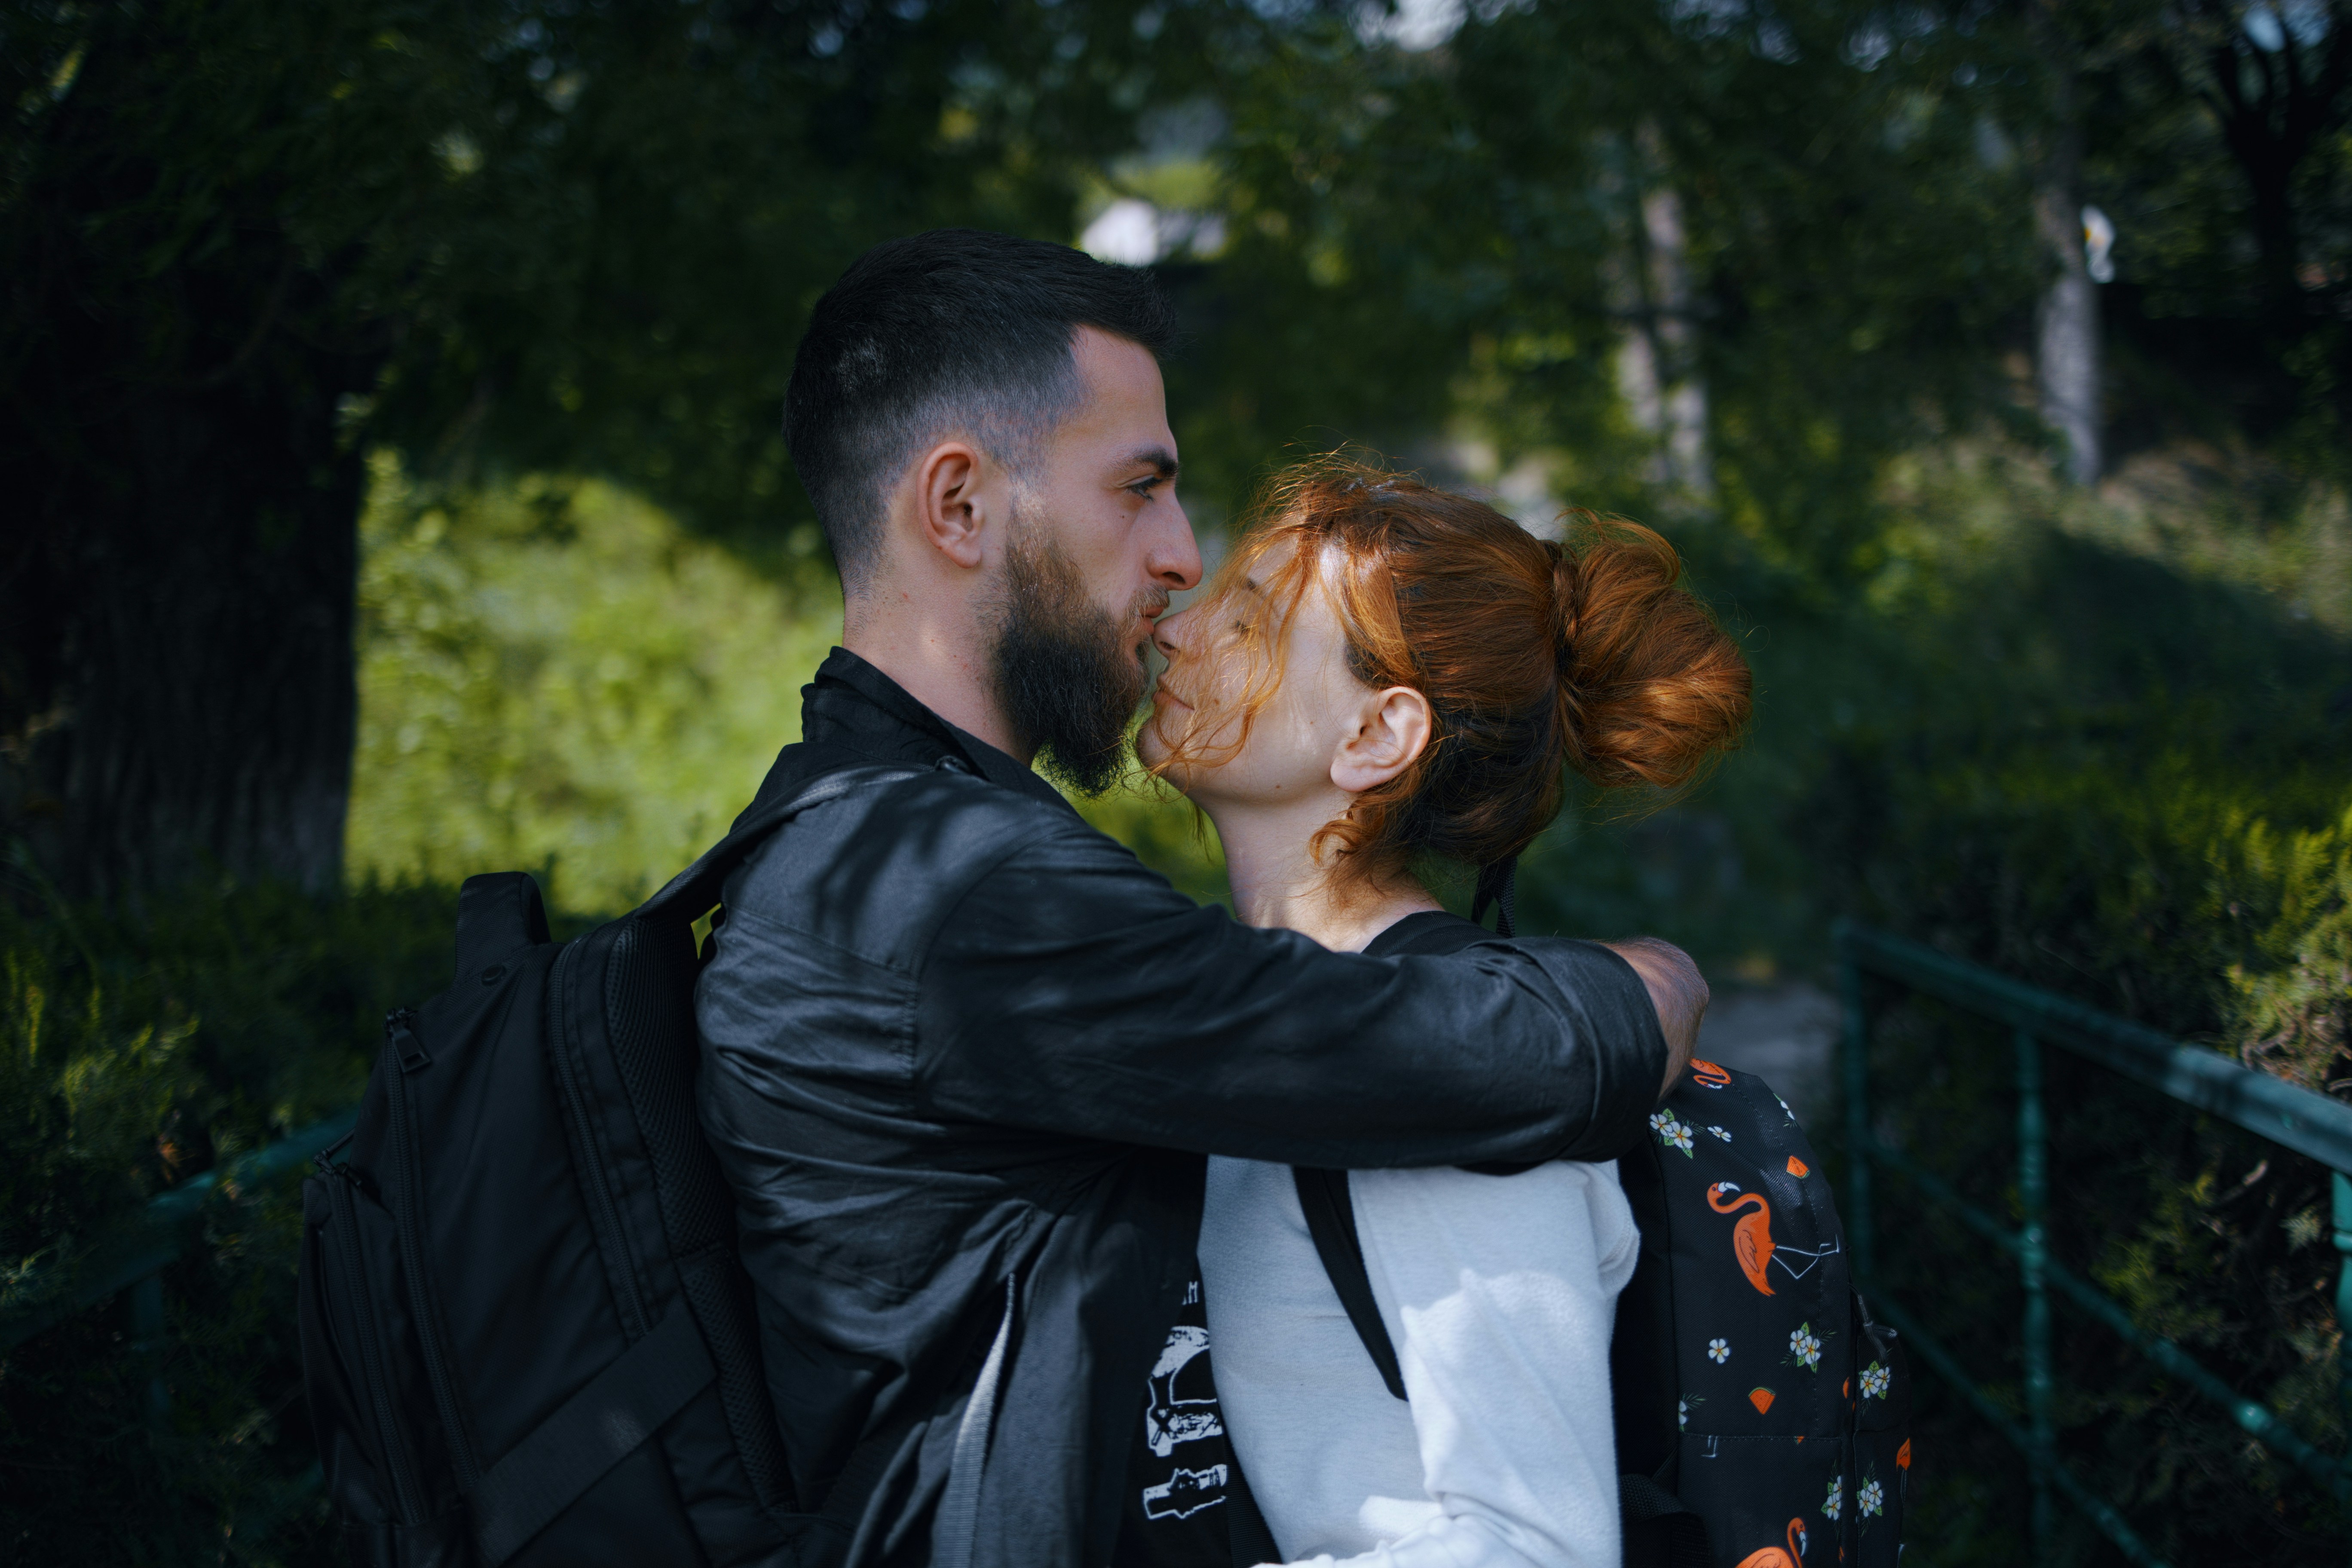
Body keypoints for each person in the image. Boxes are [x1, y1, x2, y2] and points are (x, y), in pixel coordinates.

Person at [692, 228, 1709, 1568]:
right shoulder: (950, 889)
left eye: (1248, 608)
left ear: (1377, 738)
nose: (1179, 573)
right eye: (1139, 490)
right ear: (958, 507)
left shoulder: (886, 843)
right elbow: (1400, 1046)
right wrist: (1640, 997)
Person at [1148, 461, 1750, 1567]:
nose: (1178, 634)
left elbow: (1537, 1548)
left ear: (1378, 738)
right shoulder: (1294, 1017)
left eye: (1252, 622)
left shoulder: (1455, 1073)